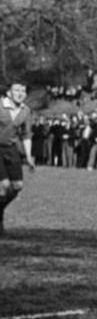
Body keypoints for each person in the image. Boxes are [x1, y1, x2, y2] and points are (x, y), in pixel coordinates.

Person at [0, 82, 35, 235]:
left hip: (12, 149)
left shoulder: (26, 110)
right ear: (9, 93)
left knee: (17, 186)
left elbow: (26, 135)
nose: (20, 93)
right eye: (17, 90)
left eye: (23, 90)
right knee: (4, 186)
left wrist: (28, 156)